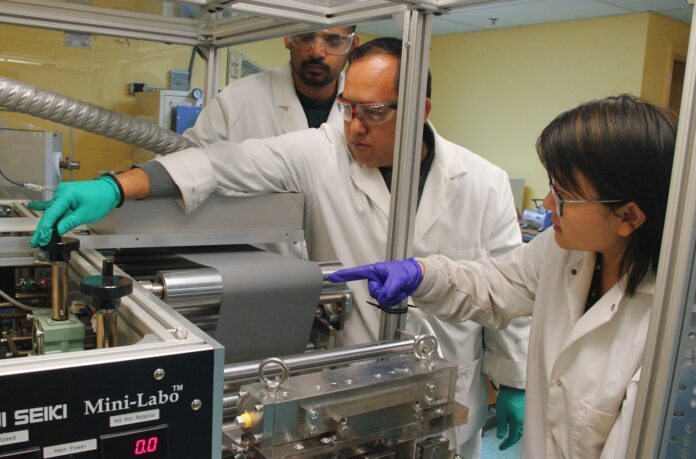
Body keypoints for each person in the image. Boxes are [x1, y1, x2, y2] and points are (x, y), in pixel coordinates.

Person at [29, 37, 529, 456]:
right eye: (347, 107)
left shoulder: (482, 182)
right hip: (349, 379)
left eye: (373, 112)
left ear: (420, 109)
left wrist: (513, 380)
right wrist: (118, 187)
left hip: (445, 385)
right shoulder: (320, 152)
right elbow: (221, 163)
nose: (354, 126)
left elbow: (512, 291)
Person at [326, 94, 678, 458]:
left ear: (629, 218)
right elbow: (497, 284)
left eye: (564, 195)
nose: (549, 204)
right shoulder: (561, 251)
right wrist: (423, 274)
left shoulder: (668, 327)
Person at [184, 26, 359, 145]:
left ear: (353, 46)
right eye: (305, 37)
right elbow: (184, 168)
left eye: (334, 41)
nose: (317, 52)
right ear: (287, 38)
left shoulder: (368, 110)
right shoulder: (234, 101)